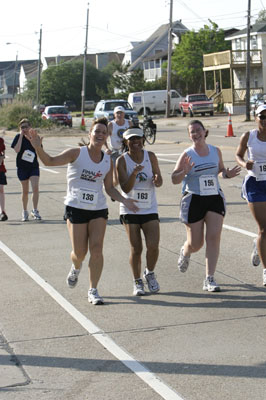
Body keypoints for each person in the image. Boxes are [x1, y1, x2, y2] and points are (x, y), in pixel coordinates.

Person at [28, 117, 138, 305]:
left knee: (97, 249)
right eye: (97, 131)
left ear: (107, 136)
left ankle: (93, 289)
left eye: (104, 132)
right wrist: (38, 147)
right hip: (76, 208)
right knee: (80, 252)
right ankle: (76, 266)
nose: (100, 135)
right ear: (90, 134)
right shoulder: (76, 153)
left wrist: (125, 200)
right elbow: (50, 161)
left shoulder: (107, 161)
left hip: (98, 209)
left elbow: (109, 188)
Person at [171, 120, 241, 292]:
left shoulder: (215, 151)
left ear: (205, 131)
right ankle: (186, 251)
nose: (196, 134)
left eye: (198, 130)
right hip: (194, 199)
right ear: (189, 136)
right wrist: (184, 172)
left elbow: (220, 170)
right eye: (192, 132)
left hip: (214, 198)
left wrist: (227, 174)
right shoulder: (187, 154)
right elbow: (174, 178)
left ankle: (209, 278)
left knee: (214, 238)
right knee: (196, 243)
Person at [117, 127, 163, 296]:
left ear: (143, 139)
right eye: (131, 139)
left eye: (138, 138)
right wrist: (134, 173)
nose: (135, 142)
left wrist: (157, 180)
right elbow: (125, 188)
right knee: (136, 248)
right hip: (130, 209)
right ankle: (137, 281)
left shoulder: (150, 157)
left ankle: (149, 273)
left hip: (149, 207)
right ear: (125, 142)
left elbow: (159, 181)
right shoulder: (122, 161)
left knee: (153, 245)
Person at [235, 104, 266, 286]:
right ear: (255, 118)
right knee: (263, 228)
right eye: (261, 116)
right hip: (255, 183)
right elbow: (238, 155)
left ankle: (258, 244)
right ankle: (265, 270)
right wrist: (244, 163)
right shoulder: (249, 136)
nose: (265, 120)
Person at [11, 119, 41, 221]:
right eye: (22, 127)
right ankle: (24, 211)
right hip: (22, 167)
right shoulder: (17, 137)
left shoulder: (34, 137)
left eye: (26, 127)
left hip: (33, 166)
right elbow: (17, 150)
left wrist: (31, 138)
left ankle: (35, 210)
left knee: (35, 188)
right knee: (25, 191)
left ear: (30, 127)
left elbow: (38, 149)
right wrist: (20, 136)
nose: (24, 129)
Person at [106, 106, 132, 186]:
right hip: (115, 152)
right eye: (117, 113)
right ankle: (113, 188)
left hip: (126, 151)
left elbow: (134, 137)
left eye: (121, 113)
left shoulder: (129, 123)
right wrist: (107, 148)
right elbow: (104, 138)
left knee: (128, 173)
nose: (119, 115)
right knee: (116, 176)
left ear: (124, 114)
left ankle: (126, 192)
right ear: (114, 114)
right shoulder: (111, 125)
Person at [0, 137, 8, 221]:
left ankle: (2, 211)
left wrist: (2, 157)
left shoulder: (1, 140)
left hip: (0, 169)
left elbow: (3, 154)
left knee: (1, 189)